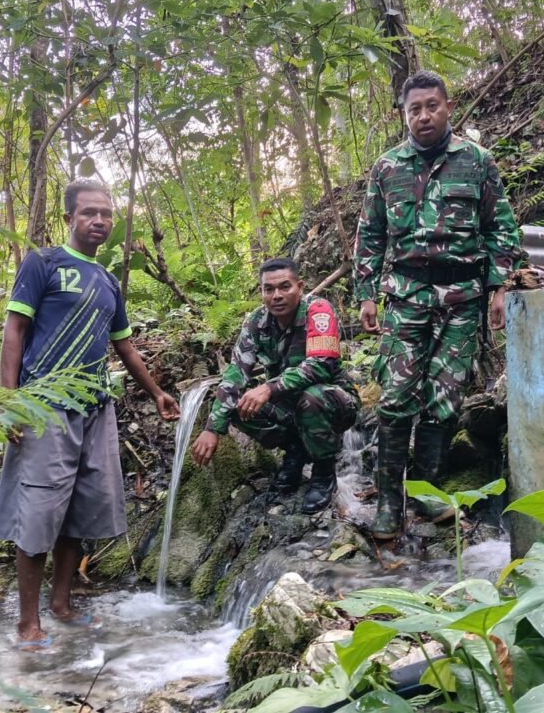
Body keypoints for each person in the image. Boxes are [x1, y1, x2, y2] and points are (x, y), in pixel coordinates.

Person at [0, 179, 180, 650]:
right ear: (69, 218)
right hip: (45, 406)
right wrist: (10, 402)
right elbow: (15, 330)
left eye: (106, 214)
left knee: (80, 507)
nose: (99, 220)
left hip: (96, 407)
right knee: (38, 512)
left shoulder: (107, 281)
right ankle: (27, 624)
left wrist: (156, 392)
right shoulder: (43, 263)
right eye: (88, 213)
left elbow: (125, 346)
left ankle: (62, 603)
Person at [353, 70, 523, 540]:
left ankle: (424, 490)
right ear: (404, 115)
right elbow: (369, 234)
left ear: (448, 107)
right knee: (394, 400)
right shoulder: (387, 168)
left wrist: (500, 287)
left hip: (463, 299)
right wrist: (366, 294)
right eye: (414, 109)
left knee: (445, 403)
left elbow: (501, 228)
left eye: (432, 106)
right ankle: (389, 500)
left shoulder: (477, 161)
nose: (423, 116)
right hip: (406, 295)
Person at [191, 258, 359, 514]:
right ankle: (296, 451)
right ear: (261, 292)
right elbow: (235, 374)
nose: (277, 296)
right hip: (288, 405)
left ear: (299, 287)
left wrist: (268, 388)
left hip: (333, 403)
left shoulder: (318, 311)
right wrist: (213, 428)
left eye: (285, 287)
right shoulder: (256, 322)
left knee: (311, 397)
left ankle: (324, 471)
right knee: (236, 405)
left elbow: (321, 365)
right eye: (269, 290)